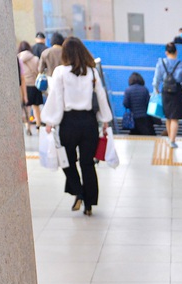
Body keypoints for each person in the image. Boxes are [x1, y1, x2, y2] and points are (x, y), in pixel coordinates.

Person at [41, 37, 112, 217]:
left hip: (68, 122)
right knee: (88, 163)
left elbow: (56, 98)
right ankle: (89, 204)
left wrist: (50, 120)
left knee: (67, 160)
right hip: (88, 122)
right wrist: (105, 119)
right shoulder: (92, 72)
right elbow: (101, 97)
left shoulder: (60, 72)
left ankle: (78, 191)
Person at [153, 42, 182, 149]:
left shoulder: (160, 63)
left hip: (165, 91)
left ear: (166, 52)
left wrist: (156, 89)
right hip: (176, 91)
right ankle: (172, 141)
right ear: (176, 52)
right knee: (175, 118)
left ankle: (170, 138)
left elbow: (156, 79)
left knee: (168, 116)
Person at [18, 41, 43, 135]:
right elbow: (38, 71)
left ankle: (27, 127)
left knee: (27, 108)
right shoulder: (35, 58)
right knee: (36, 108)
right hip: (35, 85)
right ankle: (38, 126)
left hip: (25, 86)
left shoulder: (18, 59)